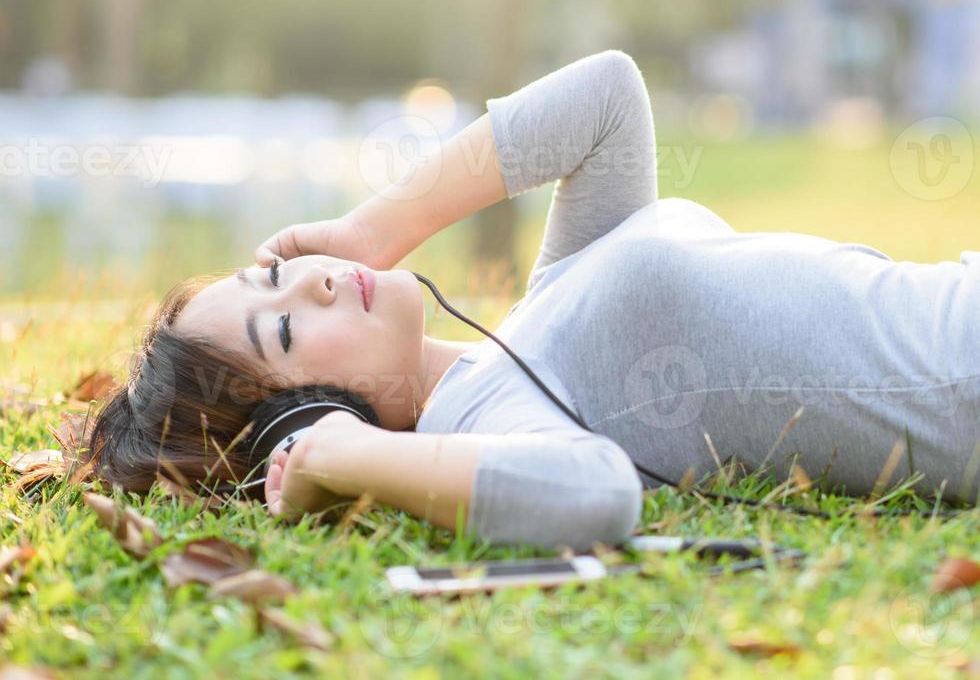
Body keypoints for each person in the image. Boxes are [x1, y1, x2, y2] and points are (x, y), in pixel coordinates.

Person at [88, 50, 979, 550]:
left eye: (276, 271)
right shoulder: (492, 410)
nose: (314, 278)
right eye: (284, 326)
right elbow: (592, 499)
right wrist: (349, 455)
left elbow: (607, 100)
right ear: (308, 416)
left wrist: (376, 226)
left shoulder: (535, 317)